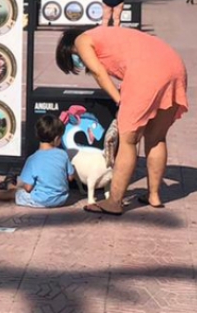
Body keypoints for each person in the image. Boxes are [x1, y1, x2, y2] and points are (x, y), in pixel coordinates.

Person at [56, 26, 189, 215]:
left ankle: (114, 201)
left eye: (74, 58)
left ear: (69, 48)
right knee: (156, 137)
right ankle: (154, 195)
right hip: (175, 67)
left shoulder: (82, 40)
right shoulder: (107, 34)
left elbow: (99, 73)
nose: (79, 61)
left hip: (147, 73)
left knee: (128, 140)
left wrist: (120, 100)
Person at [0, 115, 74, 208]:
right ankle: (8, 183)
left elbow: (28, 188)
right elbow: (70, 177)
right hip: (62, 199)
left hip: (42, 201)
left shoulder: (33, 159)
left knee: (14, 193)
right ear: (56, 139)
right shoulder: (63, 154)